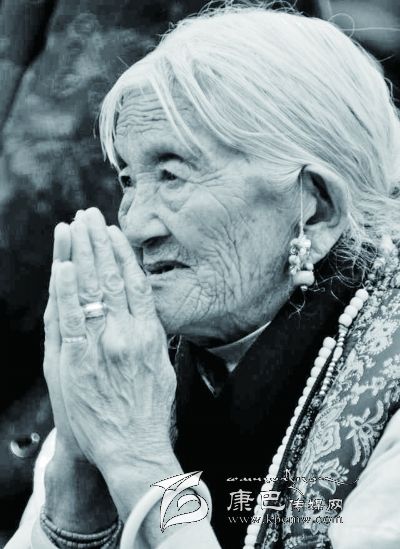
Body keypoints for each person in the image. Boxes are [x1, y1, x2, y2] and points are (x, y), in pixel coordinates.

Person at [6, 4, 400, 549]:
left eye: (172, 175)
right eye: (128, 180)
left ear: (315, 209)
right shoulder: (135, 365)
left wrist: (139, 460)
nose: (135, 225)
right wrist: (79, 464)